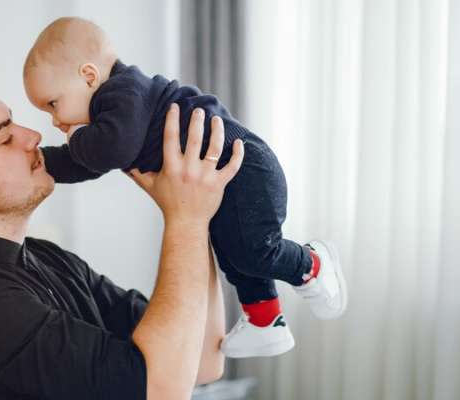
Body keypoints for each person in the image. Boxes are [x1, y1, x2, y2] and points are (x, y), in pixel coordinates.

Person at [0, 65, 244, 399]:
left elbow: (202, 363)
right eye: (5, 139)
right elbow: (159, 390)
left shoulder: (47, 258)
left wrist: (202, 213)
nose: (33, 135)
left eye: (14, 123)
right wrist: (186, 220)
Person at [23, 17, 348, 358]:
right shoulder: (115, 115)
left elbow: (110, 150)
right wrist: (45, 163)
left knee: (255, 251)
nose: (56, 121)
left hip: (246, 168)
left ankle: (311, 264)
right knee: (233, 254)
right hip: (224, 179)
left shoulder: (123, 92)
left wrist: (75, 137)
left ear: (88, 76)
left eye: (52, 104)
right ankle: (265, 320)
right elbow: (91, 161)